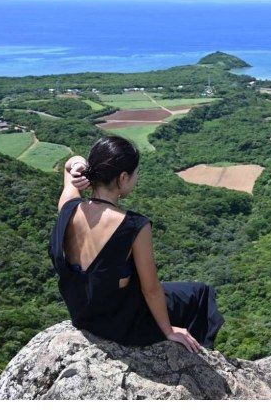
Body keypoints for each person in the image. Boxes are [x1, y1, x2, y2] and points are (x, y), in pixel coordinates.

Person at [49, 135, 225, 353]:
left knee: (180, 292)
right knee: (199, 294)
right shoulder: (133, 226)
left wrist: (77, 165)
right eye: (135, 173)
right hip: (120, 324)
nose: (137, 177)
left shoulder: (68, 207)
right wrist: (168, 330)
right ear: (123, 178)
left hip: (83, 315)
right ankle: (198, 353)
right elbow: (150, 289)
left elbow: (69, 167)